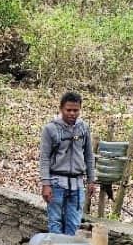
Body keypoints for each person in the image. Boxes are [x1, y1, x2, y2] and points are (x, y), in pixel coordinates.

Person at [39, 91, 97, 235]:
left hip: (77, 183)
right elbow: (44, 158)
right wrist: (46, 184)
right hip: (56, 182)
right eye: (68, 110)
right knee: (55, 221)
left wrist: (91, 180)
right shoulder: (50, 129)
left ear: (80, 109)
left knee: (74, 223)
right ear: (61, 109)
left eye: (75, 110)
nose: (72, 113)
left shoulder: (83, 128)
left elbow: (89, 155)